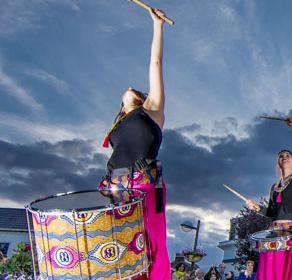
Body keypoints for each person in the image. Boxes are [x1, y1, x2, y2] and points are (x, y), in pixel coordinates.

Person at [97, 7, 170, 280]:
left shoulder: (152, 110)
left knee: (147, 243)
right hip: (112, 184)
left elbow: (156, 62)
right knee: (115, 244)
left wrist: (157, 25)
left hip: (144, 181)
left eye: (136, 88)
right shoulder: (117, 125)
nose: (131, 85)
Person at [245, 117, 292, 280]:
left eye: (288, 155)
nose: (285, 157)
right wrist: (257, 209)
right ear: (278, 163)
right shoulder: (274, 188)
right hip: (274, 235)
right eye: (281, 156)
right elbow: (271, 213)